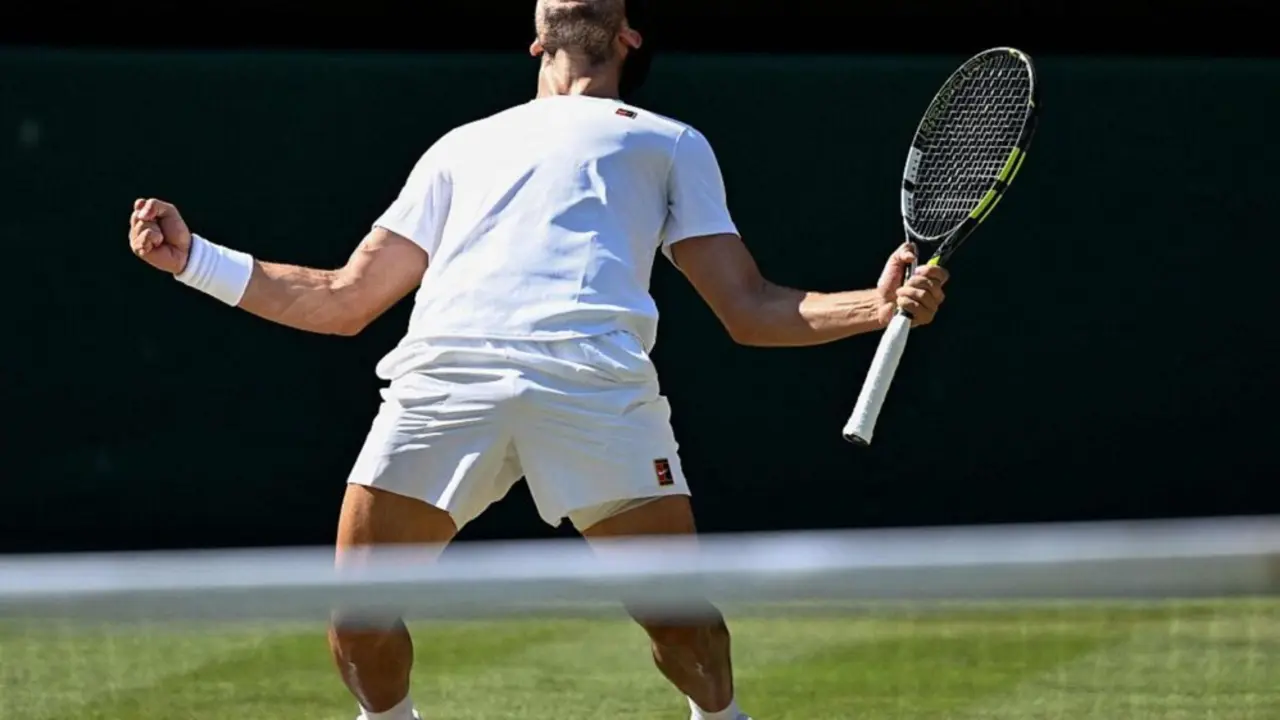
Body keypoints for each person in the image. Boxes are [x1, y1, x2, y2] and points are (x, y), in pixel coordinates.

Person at [126, 1, 949, 718]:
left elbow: (749, 307)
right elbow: (345, 297)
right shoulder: (460, 147)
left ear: (627, 32)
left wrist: (876, 308)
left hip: (595, 386)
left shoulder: (671, 144)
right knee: (357, 618)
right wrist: (193, 258)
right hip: (446, 383)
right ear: (534, 39)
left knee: (686, 628)